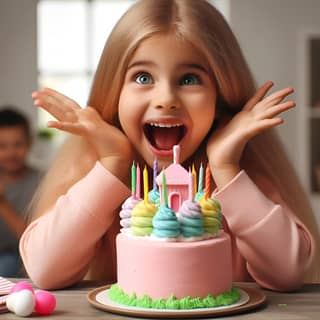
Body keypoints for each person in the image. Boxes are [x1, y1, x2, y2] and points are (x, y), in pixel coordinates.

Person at [20, 0, 319, 290]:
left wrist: (226, 167)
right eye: (143, 76)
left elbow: (289, 272)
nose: (166, 99)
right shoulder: (92, 175)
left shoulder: (242, 177)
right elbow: (45, 270)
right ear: (114, 92)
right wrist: (112, 164)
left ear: (221, 97)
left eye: (189, 79)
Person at [0, 107, 42, 277]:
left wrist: (2, 203)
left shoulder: (40, 182)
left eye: (18, 144)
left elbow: (33, 241)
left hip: (23, 256)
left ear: (29, 143)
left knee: (7, 264)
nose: (11, 153)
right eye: (2, 146)